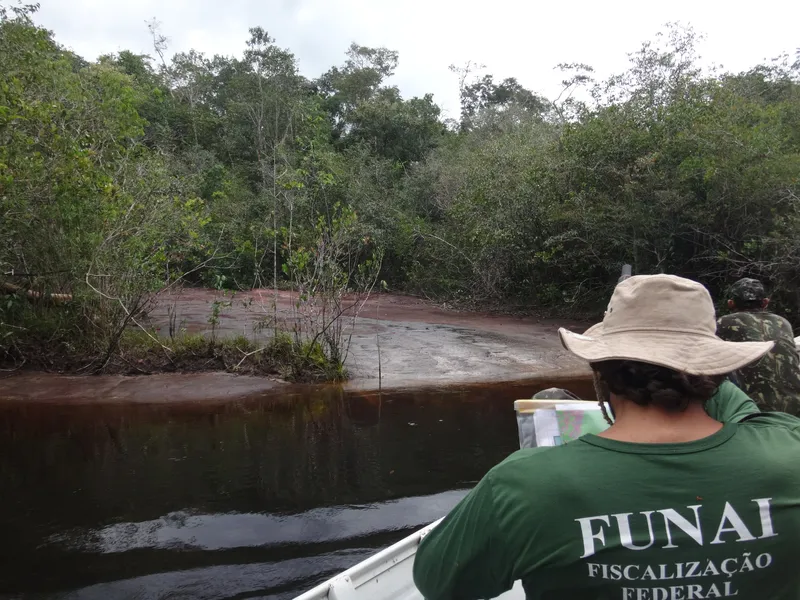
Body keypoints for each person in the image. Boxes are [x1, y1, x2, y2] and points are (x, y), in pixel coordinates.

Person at [413, 274, 800, 600]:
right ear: (717, 371)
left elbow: (439, 582)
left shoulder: (521, 486)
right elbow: (741, 413)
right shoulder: (788, 449)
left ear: (599, 373)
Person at [716, 277, 800, 415]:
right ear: (766, 302)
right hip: (795, 407)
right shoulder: (783, 323)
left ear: (730, 304)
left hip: (753, 411)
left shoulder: (724, 323)